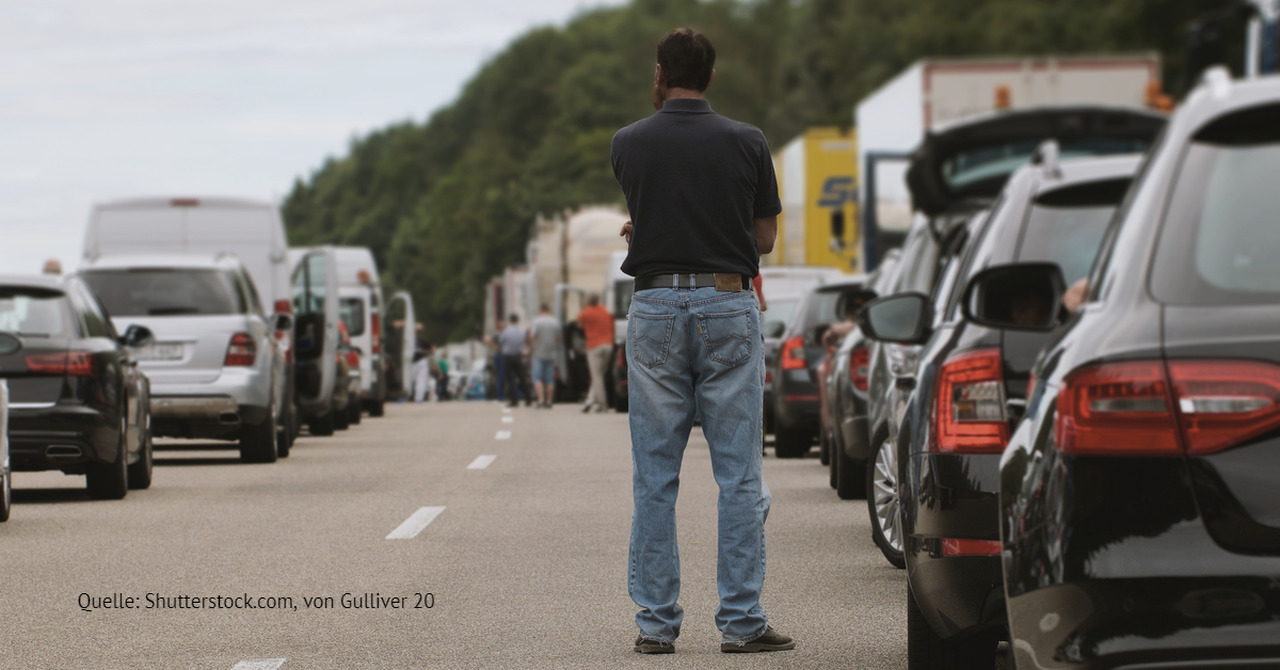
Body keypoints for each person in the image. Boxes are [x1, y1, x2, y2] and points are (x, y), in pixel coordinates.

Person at [611, 28, 793, 655]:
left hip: (657, 305)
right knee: (738, 475)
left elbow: (658, 211)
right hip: (726, 302)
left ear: (661, 74)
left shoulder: (627, 143)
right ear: (710, 77)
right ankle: (742, 624)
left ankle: (656, 626)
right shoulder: (748, 141)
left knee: (654, 478)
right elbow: (763, 239)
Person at [577, 293, 614, 413]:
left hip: (594, 346)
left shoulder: (585, 312)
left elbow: (579, 325)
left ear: (588, 301)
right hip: (608, 345)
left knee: (596, 376)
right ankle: (590, 400)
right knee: (599, 375)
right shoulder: (605, 310)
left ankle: (603, 406)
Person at [529, 303, 562, 408]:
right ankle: (549, 401)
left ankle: (541, 400)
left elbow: (532, 335)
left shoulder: (537, 321)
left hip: (538, 353)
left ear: (540, 310)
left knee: (536, 377)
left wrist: (531, 346)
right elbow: (559, 338)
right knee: (550, 379)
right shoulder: (555, 321)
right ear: (549, 310)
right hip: (551, 354)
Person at [497, 313, 532, 408]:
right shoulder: (522, 331)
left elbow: (501, 342)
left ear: (510, 321)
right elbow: (526, 342)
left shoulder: (506, 332)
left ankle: (514, 400)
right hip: (518, 356)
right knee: (522, 378)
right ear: (517, 320)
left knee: (510, 379)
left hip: (508, 357)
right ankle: (528, 399)